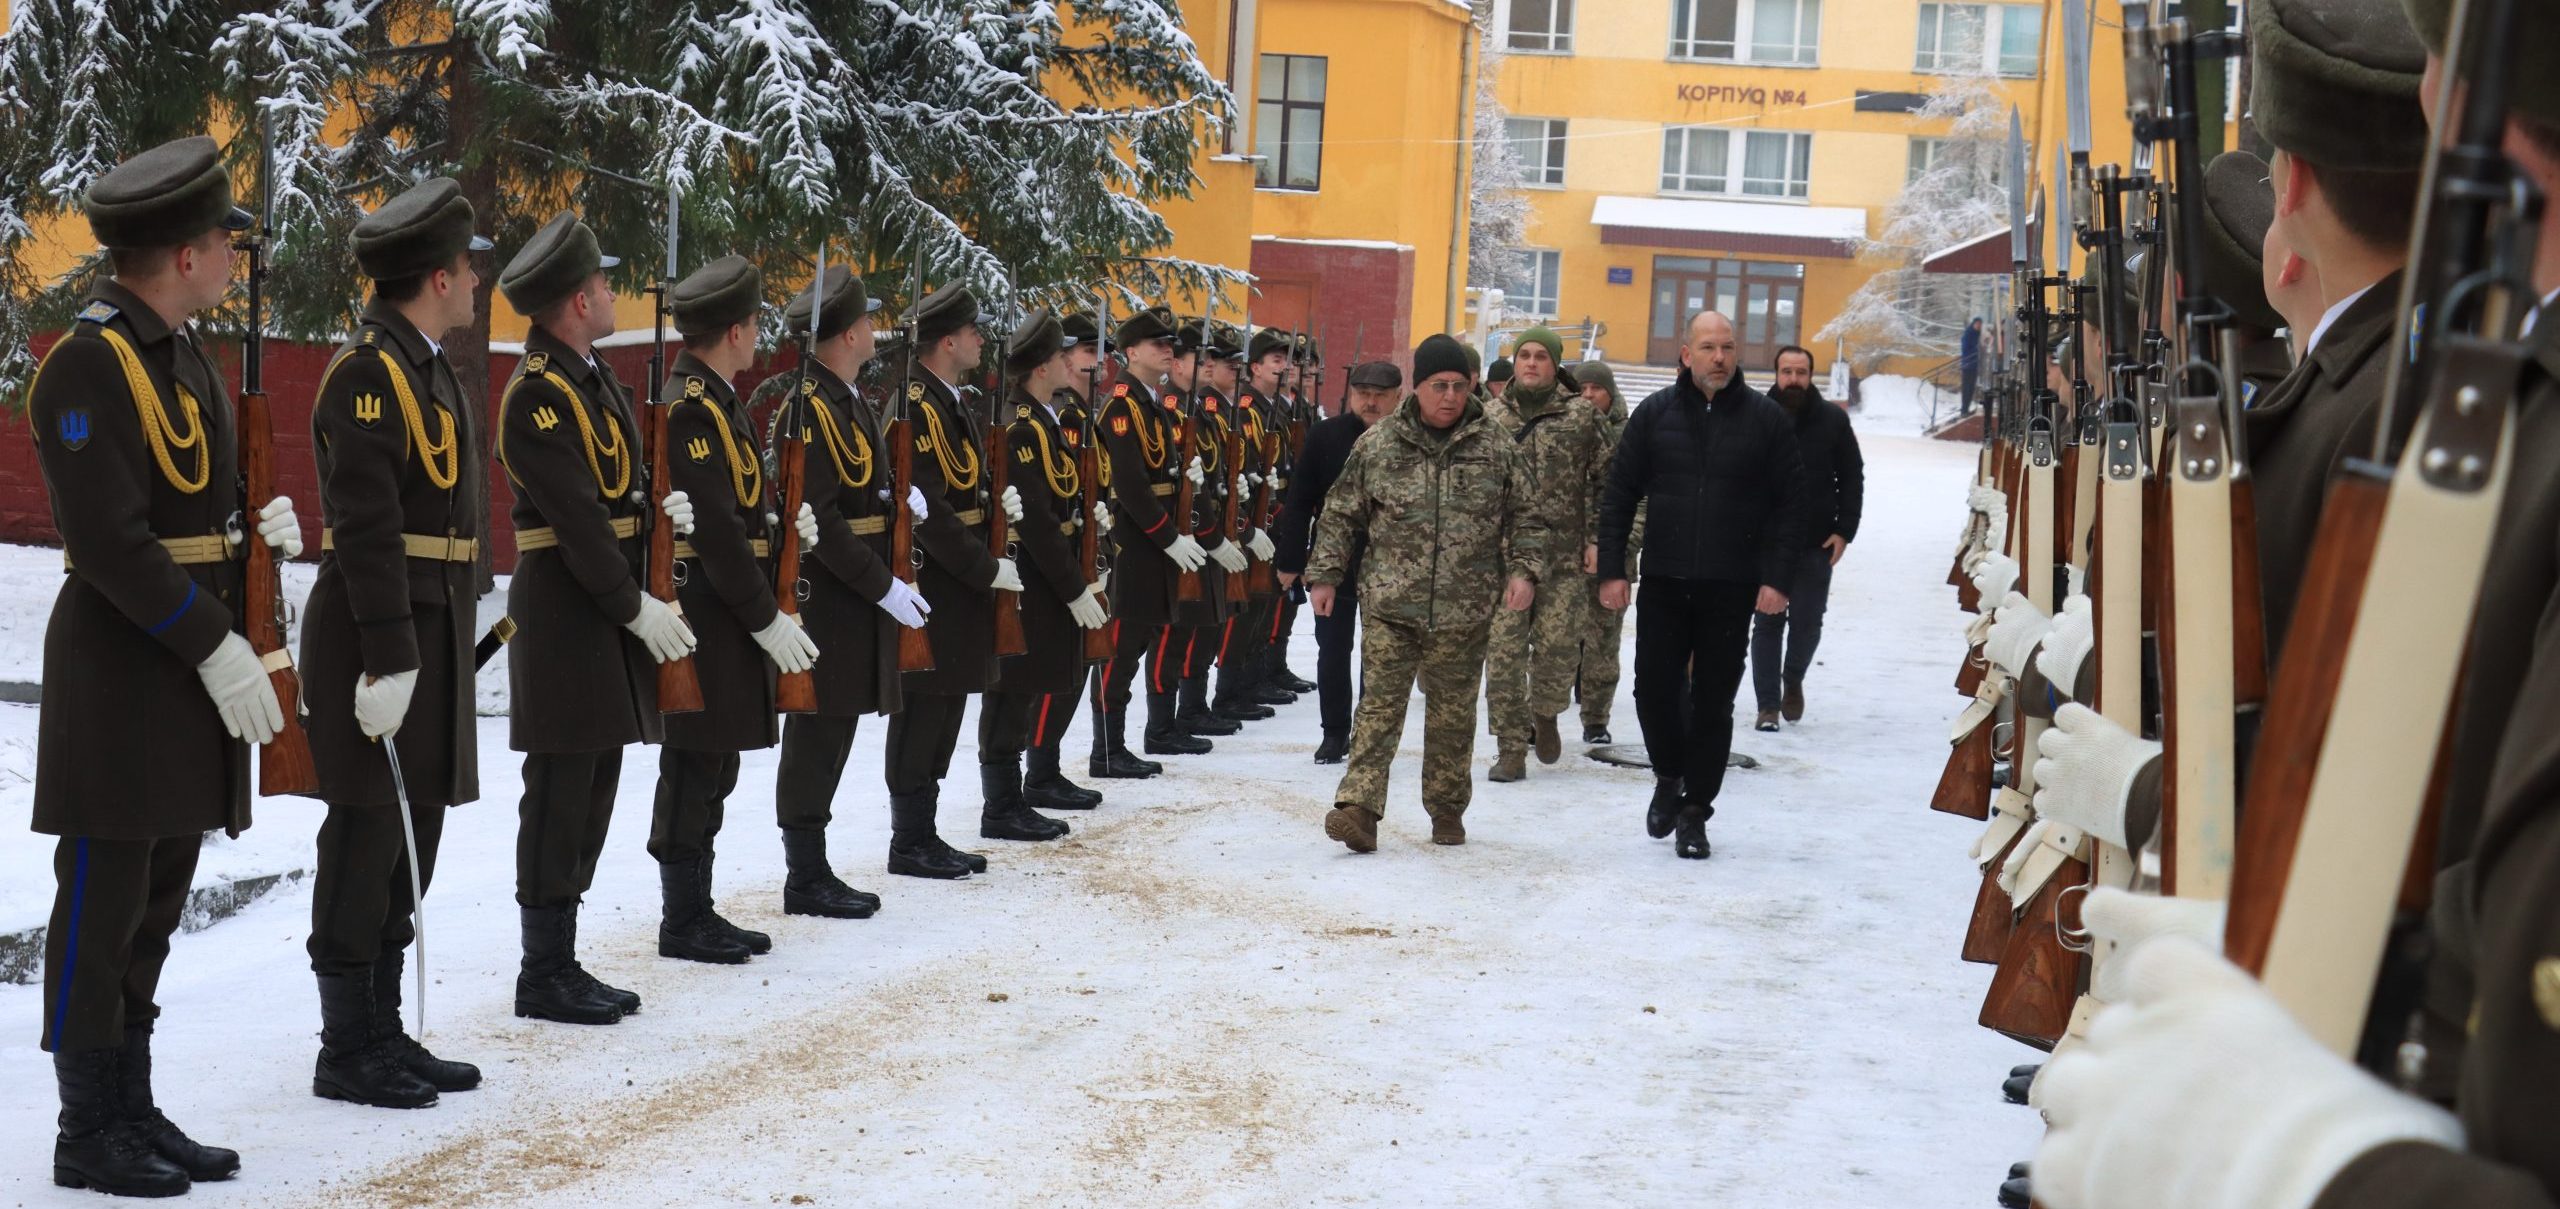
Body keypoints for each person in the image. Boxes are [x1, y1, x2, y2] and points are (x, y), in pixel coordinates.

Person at [26, 134, 279, 1197]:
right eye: (225, 240)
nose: (233, 256)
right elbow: (114, 543)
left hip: (178, 674)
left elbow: (190, 514)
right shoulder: (88, 363)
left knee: (157, 900)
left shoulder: (180, 356)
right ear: (183, 253)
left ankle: (131, 1103)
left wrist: (254, 532)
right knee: (102, 903)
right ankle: (88, 1127)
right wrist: (216, 642)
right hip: (122, 675)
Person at [298, 177, 490, 1110]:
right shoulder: (368, 373)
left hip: (428, 621)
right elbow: (366, 527)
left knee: (416, 832)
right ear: (437, 275)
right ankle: (346, 1043)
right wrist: (391, 654)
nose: (476, 279)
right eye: (467, 266)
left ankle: (382, 1023)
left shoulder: (422, 365)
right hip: (380, 629)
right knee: (369, 826)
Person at [493, 210, 679, 1025]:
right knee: (562, 780)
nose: (613, 294)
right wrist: (632, 602)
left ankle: (564, 953)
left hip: (602, 599)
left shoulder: (594, 377)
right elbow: (575, 517)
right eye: (602, 285)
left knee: (596, 776)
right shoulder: (537, 393)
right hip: (568, 602)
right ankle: (543, 968)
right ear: (575, 302)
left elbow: (621, 497)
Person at [1307, 335, 1546, 851]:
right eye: (1439, 386)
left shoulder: (1497, 445)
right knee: (1379, 708)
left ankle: (1446, 810)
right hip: (1392, 604)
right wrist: (1325, 575)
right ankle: (1359, 809)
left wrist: (1524, 572)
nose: (1451, 396)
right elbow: (1341, 513)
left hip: (1465, 607)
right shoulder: (1379, 443)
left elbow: (1528, 516)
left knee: (1452, 715)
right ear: (1417, 388)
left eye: (1461, 386)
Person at [652, 254, 820, 960]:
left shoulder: (718, 399)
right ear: (734, 328)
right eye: (753, 324)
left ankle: (698, 905)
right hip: (709, 612)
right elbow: (717, 531)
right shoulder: (691, 406)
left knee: (715, 762)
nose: (759, 335)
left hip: (728, 611)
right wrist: (765, 617)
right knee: (696, 761)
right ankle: (682, 915)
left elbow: (744, 514)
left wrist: (784, 531)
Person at [1595, 310, 1805, 861]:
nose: (1719, 357)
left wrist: (1777, 580)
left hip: (1730, 586)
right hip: (1666, 579)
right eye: (1708, 347)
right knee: (1653, 691)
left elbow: (1791, 508)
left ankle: (1694, 812)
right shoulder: (1654, 416)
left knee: (1713, 702)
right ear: (1686, 354)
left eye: (1728, 347)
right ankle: (1668, 774)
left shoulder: (1765, 420)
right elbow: (1619, 495)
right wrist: (1614, 569)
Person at [768, 266, 921, 920]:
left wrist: (897, 506)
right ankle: (804, 872)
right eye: (868, 321)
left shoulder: (847, 397)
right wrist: (881, 583)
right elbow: (820, 518)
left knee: (837, 727)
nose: (875, 331)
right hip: (827, 593)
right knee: (818, 729)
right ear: (850, 331)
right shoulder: (808, 405)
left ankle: (813, 864)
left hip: (852, 593)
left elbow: (860, 492)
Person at [885, 283, 1029, 878]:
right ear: (947, 341)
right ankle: (909, 838)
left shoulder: (948, 399)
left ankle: (926, 830)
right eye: (972, 332)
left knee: (945, 709)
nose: (980, 340)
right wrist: (982, 566)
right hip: (937, 580)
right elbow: (928, 509)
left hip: (960, 578)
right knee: (925, 709)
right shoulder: (916, 403)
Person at [977, 309, 1111, 835]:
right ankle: (1001, 804)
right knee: (1012, 690)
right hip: (1029, 578)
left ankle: (1017, 794)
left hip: (1048, 576)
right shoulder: (1022, 426)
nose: (1070, 363)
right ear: (1040, 368)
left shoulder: (1047, 419)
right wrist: (1073, 587)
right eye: (1061, 355)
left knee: (1028, 687)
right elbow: (1034, 521)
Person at [1479, 325, 1609, 782]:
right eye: (1524, 355)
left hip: (1563, 558)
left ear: (1556, 365)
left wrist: (1596, 539)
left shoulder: (1581, 417)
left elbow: (1605, 484)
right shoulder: (1490, 417)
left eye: (1541, 356)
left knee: (1556, 651)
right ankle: (1510, 747)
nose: (1531, 363)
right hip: (1505, 559)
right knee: (1504, 655)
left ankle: (1547, 711)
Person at [1088, 306, 1207, 775]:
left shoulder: (1150, 403)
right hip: (1134, 542)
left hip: (1152, 542)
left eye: (1169, 345)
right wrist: (1167, 537)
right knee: (1120, 648)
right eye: (1157, 345)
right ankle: (1106, 750)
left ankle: (1115, 746)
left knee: (1137, 644)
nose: (1167, 351)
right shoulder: (1121, 407)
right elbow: (1131, 486)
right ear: (1130, 352)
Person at [1275, 359, 1401, 763]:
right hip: (1335, 562)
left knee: (1380, 655)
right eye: (1363, 394)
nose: (1371, 402)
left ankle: (1369, 734)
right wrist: (1291, 560)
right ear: (1350, 395)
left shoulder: (1407, 437)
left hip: (1394, 564)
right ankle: (1334, 732)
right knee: (1332, 649)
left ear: (1398, 397)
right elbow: (1299, 501)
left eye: (1380, 395)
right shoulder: (1326, 436)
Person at [1749, 345, 1862, 732]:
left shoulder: (1832, 420)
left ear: (1811, 375)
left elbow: (1851, 476)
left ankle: (1792, 677)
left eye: (1800, 372)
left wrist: (1844, 530)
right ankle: (1767, 706)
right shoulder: (1756, 416)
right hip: (1767, 541)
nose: (1793, 380)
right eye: (1786, 372)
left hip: (1816, 542)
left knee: (1807, 623)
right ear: (1776, 374)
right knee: (1766, 621)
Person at [1212, 327, 1296, 722]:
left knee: (1262, 602)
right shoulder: (1247, 408)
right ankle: (1230, 688)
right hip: (1250, 517)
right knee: (1242, 607)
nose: (1284, 367)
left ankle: (1252, 678)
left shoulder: (1274, 406)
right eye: (1276, 360)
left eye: (1286, 360)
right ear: (1255, 367)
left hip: (1271, 512)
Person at [1571, 361, 1639, 745]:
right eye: (1582, 388)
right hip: (1565, 555)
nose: (1589, 395)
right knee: (1555, 641)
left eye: (1596, 388)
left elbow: (1642, 500)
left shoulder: (1630, 435)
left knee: (1602, 642)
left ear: (1610, 393)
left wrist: (1619, 548)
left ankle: (1596, 718)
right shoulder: (1563, 430)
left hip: (1614, 558)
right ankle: (1542, 713)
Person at [1960, 317, 1983, 414]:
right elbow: (1965, 349)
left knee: (1971, 388)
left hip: (1974, 365)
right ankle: (1964, 409)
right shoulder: (1968, 333)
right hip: (1967, 364)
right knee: (1967, 388)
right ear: (1973, 324)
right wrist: (1977, 351)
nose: (1978, 326)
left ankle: (1966, 408)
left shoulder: (1979, 334)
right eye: (1977, 324)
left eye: (1980, 324)